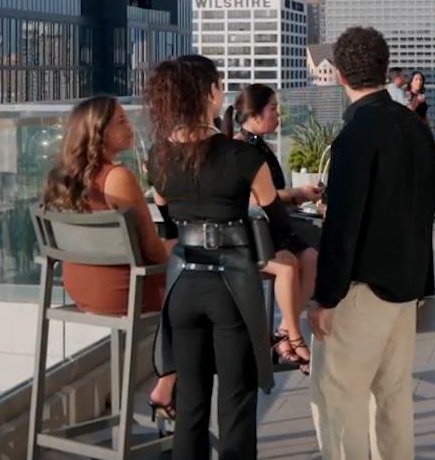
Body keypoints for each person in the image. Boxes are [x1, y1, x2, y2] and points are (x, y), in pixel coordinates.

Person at [308, 26, 435, 460]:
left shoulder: (354, 135)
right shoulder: (414, 124)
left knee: (340, 396)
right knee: (392, 397)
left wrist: (324, 298)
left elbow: (343, 226)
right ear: (385, 71)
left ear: (341, 76)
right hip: (406, 284)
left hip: (361, 288)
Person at [147, 56, 280, 460]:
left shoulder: (159, 155)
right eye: (219, 84)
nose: (223, 89)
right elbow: (278, 221)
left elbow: (167, 215)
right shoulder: (242, 156)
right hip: (231, 286)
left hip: (182, 284)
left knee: (190, 401)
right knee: (236, 400)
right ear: (207, 94)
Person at [38, 96, 178, 417]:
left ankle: (170, 391)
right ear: (99, 133)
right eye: (121, 121)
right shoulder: (118, 177)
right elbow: (154, 251)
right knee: (203, 283)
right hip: (124, 295)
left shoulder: (60, 177)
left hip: (80, 288)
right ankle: (170, 389)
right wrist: (182, 245)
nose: (130, 126)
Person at [223, 84, 323, 373]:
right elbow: (258, 198)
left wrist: (296, 195)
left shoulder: (256, 145)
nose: (278, 115)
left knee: (311, 257)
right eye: (273, 109)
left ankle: (284, 329)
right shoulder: (243, 149)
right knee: (305, 251)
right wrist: (296, 194)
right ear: (254, 114)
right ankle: (292, 335)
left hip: (269, 225)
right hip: (254, 231)